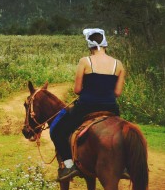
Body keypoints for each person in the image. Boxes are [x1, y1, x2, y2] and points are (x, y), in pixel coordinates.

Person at [50, 28, 126, 181]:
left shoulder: (85, 61)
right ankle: (124, 166)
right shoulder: (118, 64)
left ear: (90, 45)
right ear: (105, 43)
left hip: (86, 107)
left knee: (57, 131)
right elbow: (117, 93)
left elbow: (77, 90)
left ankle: (69, 166)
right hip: (111, 108)